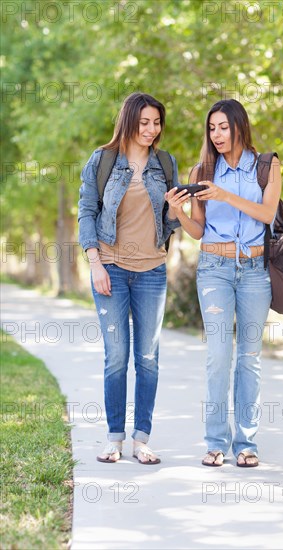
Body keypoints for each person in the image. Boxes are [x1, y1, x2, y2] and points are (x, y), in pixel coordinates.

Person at [166, 99, 281, 467]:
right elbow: (199, 232)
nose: (216, 135)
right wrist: (178, 212)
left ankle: (246, 444)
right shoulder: (203, 169)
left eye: (223, 127)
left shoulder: (267, 165)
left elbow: (266, 213)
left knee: (249, 357)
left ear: (239, 126)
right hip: (214, 267)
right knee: (218, 356)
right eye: (211, 128)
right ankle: (215, 441)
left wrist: (224, 195)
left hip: (254, 270)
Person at [78, 92, 182, 464]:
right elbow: (87, 212)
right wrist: (95, 263)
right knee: (116, 357)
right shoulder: (102, 161)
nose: (152, 129)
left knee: (149, 357)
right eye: (144, 123)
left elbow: (170, 224)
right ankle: (114, 438)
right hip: (111, 269)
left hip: (152, 270)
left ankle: (142, 440)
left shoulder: (166, 164)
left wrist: (176, 210)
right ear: (129, 122)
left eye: (156, 123)